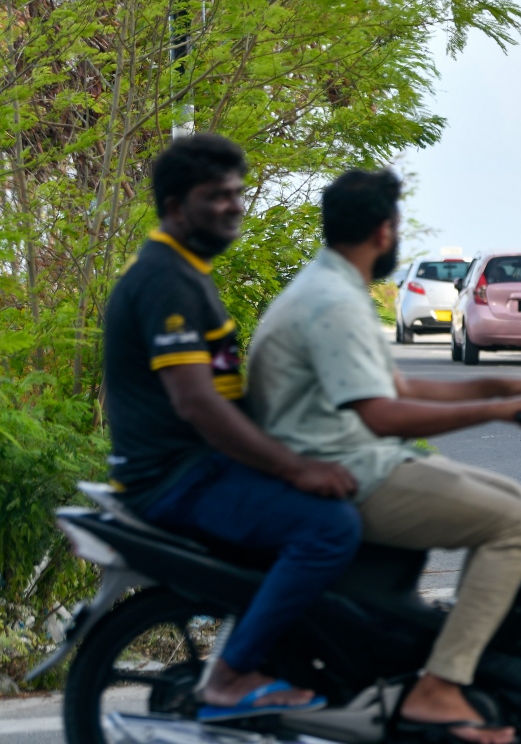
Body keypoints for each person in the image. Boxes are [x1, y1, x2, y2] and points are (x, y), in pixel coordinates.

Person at [247, 169, 521, 744]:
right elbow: (383, 413)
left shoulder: (331, 286)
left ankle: (456, 655)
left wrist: (501, 386)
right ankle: (440, 685)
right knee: (515, 523)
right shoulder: (334, 302)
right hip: (347, 472)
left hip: (351, 457)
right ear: (384, 231)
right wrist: (498, 412)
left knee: (513, 498)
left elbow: (398, 385)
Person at [103, 134, 363, 721]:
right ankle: (229, 676)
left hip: (201, 468)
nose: (234, 205)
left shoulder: (187, 272)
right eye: (215, 196)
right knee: (330, 529)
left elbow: (227, 395)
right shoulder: (165, 281)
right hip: (178, 478)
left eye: (236, 193)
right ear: (175, 206)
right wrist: (295, 466)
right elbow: (197, 403)